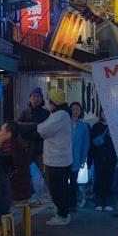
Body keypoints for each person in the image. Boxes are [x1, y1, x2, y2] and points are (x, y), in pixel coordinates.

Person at [37, 88, 73, 225]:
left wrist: (40, 126)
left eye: (48, 99)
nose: (46, 101)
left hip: (58, 160)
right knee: (58, 188)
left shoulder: (61, 115)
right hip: (57, 158)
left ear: (54, 102)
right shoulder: (58, 113)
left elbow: (44, 130)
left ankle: (63, 215)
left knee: (57, 189)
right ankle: (61, 212)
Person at [16, 87, 50, 183]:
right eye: (33, 96)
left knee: (46, 176)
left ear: (42, 99)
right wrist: (36, 126)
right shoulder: (24, 112)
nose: (35, 99)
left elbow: (44, 133)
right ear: (30, 98)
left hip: (41, 151)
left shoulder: (46, 113)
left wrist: (26, 133)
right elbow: (17, 126)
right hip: (26, 150)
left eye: (38, 96)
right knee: (24, 176)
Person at [88, 112, 117, 212]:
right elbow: (91, 144)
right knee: (99, 178)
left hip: (111, 157)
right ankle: (99, 201)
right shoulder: (96, 126)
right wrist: (89, 159)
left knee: (110, 178)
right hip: (98, 157)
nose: (105, 114)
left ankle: (108, 202)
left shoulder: (114, 126)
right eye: (103, 111)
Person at [0, 121, 34, 203]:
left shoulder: (10, 150)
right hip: (23, 190)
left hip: (16, 191)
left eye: (1, 131)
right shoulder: (17, 146)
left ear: (9, 135)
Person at [69, 102, 90, 212]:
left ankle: (73, 204)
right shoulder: (65, 123)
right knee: (63, 182)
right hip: (64, 157)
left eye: (77, 109)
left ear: (80, 111)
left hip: (76, 157)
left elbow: (86, 143)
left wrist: (83, 159)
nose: (75, 111)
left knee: (73, 181)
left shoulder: (83, 126)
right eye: (73, 109)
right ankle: (63, 203)